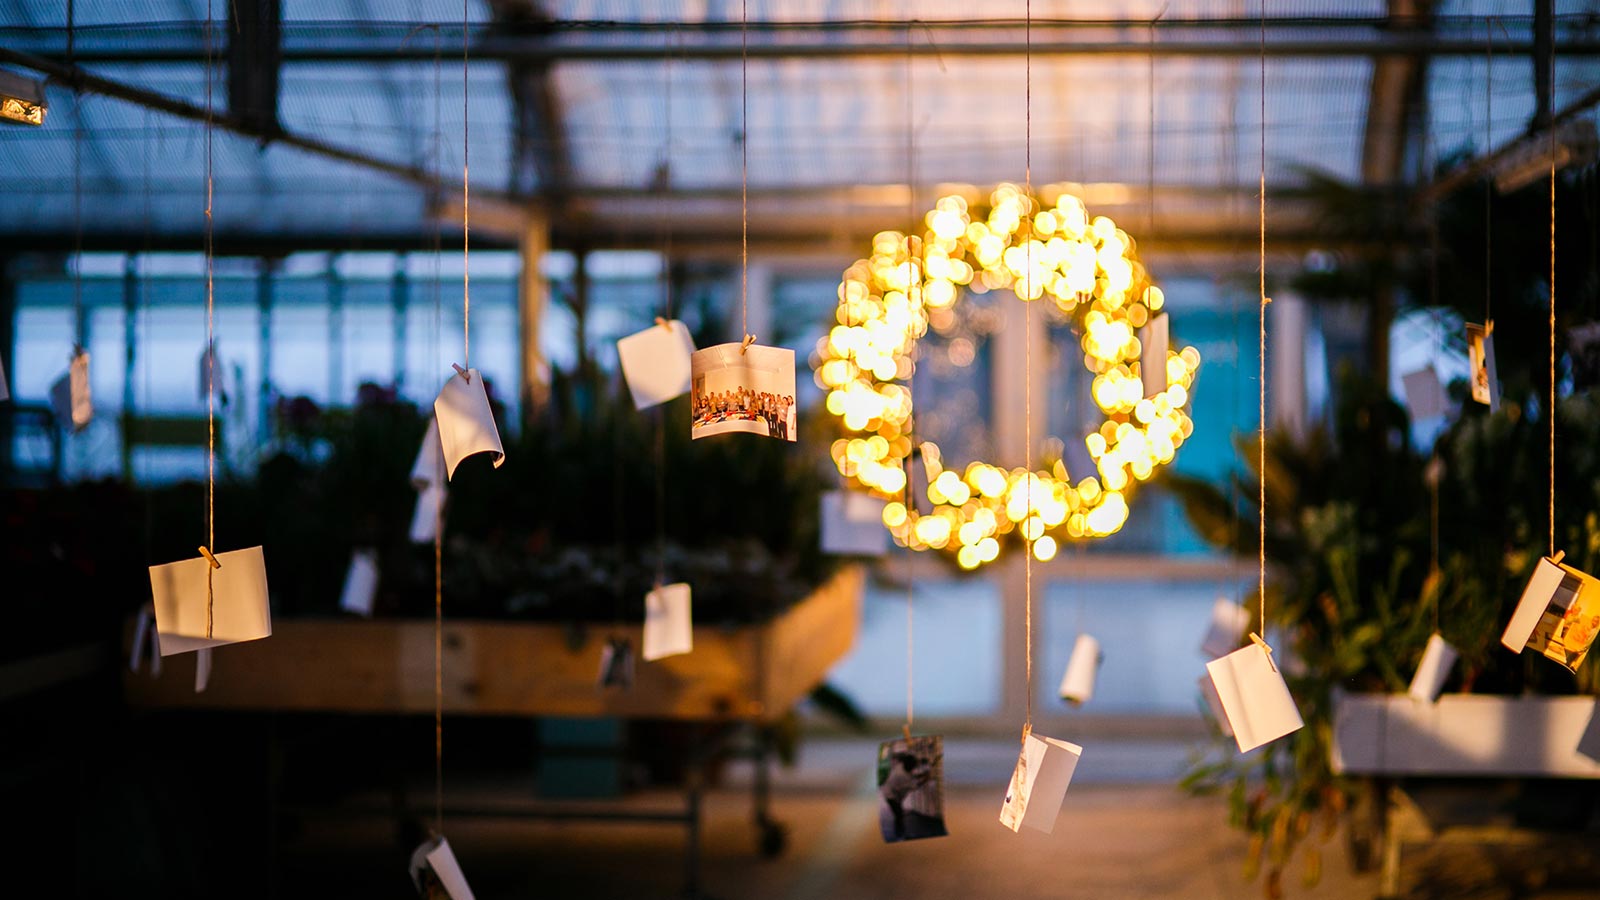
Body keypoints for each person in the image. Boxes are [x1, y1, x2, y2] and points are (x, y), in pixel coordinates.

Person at [879, 752, 931, 841]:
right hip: (890, 796)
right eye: (914, 766)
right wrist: (926, 778)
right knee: (899, 815)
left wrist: (922, 772)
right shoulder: (903, 776)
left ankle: (900, 833)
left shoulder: (901, 766)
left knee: (899, 813)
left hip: (892, 791)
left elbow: (911, 775)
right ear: (909, 766)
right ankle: (900, 836)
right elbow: (915, 785)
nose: (915, 768)